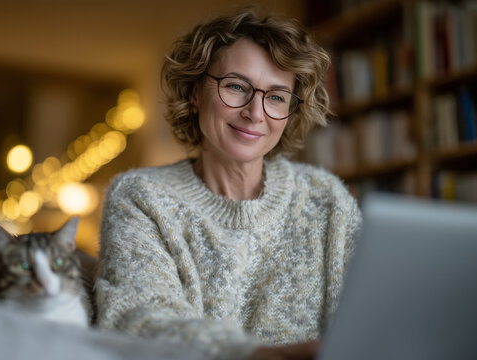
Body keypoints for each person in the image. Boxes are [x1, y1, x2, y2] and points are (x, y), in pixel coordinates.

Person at [95, 9, 362, 360]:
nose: (256, 112)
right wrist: (248, 354)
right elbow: (137, 318)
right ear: (194, 92)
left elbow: (371, 317)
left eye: (277, 96)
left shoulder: (326, 198)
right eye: (236, 86)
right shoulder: (141, 197)